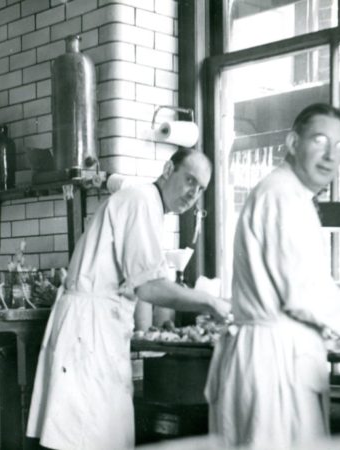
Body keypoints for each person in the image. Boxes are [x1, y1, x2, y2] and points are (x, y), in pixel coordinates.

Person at [26, 148, 231, 450]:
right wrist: (210, 302)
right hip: (89, 331)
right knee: (86, 436)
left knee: (93, 434)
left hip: (95, 330)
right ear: (167, 169)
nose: (193, 193)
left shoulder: (147, 203)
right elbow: (150, 288)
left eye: (201, 189)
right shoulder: (141, 201)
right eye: (190, 181)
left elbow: (140, 280)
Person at [205, 103, 340, 448]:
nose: (331, 155)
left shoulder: (289, 194)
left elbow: (287, 279)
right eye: (320, 140)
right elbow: (298, 296)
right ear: (292, 142)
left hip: (274, 356)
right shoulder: (282, 196)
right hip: (274, 363)